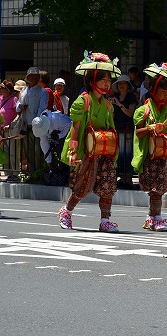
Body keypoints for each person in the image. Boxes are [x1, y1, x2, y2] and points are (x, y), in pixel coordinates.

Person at [58, 51, 121, 232]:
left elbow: (111, 128)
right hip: (87, 149)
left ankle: (105, 220)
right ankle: (67, 211)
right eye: (103, 80)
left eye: (109, 81)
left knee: (108, 184)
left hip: (105, 150)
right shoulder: (82, 101)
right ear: (92, 81)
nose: (107, 84)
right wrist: (72, 150)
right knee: (83, 184)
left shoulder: (108, 105)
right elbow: (76, 128)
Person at [132, 63, 167, 232]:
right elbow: (139, 132)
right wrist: (150, 128)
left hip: (165, 156)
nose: (165, 96)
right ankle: (155, 217)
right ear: (154, 91)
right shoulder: (144, 110)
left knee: (161, 187)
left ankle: (152, 217)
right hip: (150, 156)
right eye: (162, 92)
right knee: (155, 187)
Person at [16, 67, 48, 173]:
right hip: (25, 124)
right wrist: (20, 106)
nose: (34, 78)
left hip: (37, 125)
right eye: (32, 76)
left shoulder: (43, 92)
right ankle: (30, 171)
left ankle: (39, 171)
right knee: (27, 149)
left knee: (37, 149)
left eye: (36, 76)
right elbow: (18, 104)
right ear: (28, 77)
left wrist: (37, 122)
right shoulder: (23, 91)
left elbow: (42, 108)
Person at [110, 74, 137, 189]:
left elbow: (131, 113)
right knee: (118, 154)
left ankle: (128, 178)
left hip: (127, 129)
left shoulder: (131, 97)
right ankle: (121, 177)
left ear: (128, 85)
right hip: (117, 128)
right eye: (120, 83)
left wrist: (119, 105)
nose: (122, 86)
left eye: (124, 83)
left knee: (127, 153)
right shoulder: (115, 96)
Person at [0, 80, 19, 182]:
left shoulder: (14, 99)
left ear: (7, 90)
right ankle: (8, 173)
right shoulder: (0, 99)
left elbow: (18, 115)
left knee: (13, 152)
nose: (1, 90)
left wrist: (10, 125)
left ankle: (15, 174)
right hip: (1, 130)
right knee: (5, 152)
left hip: (11, 130)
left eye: (2, 88)